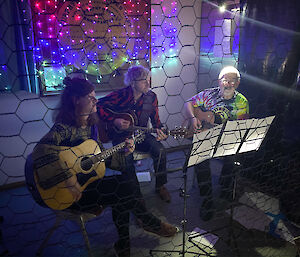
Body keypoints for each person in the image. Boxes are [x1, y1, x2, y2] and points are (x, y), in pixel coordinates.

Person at [32, 77, 177, 257]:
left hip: (87, 182)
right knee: (124, 190)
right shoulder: (64, 128)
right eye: (90, 97)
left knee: (124, 187)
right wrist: (69, 179)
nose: (95, 101)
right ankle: (146, 223)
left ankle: (125, 243)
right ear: (76, 100)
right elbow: (40, 151)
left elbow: (98, 157)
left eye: (95, 97)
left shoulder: (91, 126)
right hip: (69, 192)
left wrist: (124, 151)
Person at [183, 66, 249, 221]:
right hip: (206, 138)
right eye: (225, 80)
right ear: (219, 81)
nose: (228, 84)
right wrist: (193, 118)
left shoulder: (242, 102)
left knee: (233, 158)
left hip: (226, 139)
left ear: (238, 83)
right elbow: (188, 103)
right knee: (200, 159)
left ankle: (226, 189)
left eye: (233, 81)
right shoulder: (208, 94)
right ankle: (207, 199)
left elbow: (241, 128)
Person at [97, 65, 171, 202]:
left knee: (160, 150)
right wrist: (115, 120)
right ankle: (136, 197)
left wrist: (162, 131)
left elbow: (156, 122)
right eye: (144, 80)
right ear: (133, 82)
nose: (148, 83)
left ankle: (160, 185)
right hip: (121, 137)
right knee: (126, 160)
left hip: (142, 135)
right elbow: (97, 106)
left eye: (148, 79)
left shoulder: (151, 97)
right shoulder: (120, 95)